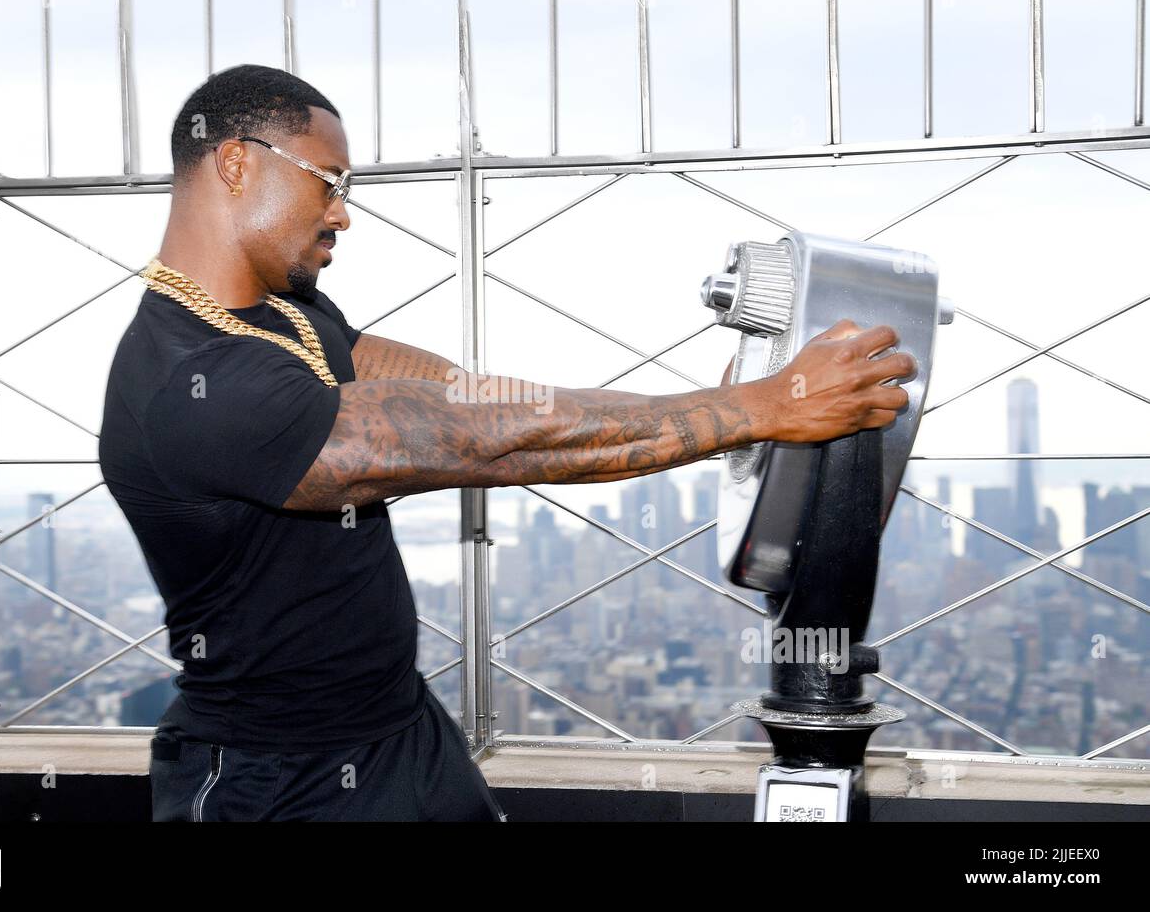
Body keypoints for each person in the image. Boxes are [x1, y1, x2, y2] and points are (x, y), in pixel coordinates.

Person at [98, 63, 917, 822]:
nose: (343, 211)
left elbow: (467, 399)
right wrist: (753, 409)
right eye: (331, 182)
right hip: (274, 779)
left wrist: (721, 399)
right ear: (238, 163)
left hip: (401, 729)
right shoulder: (192, 379)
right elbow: (471, 442)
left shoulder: (290, 316)